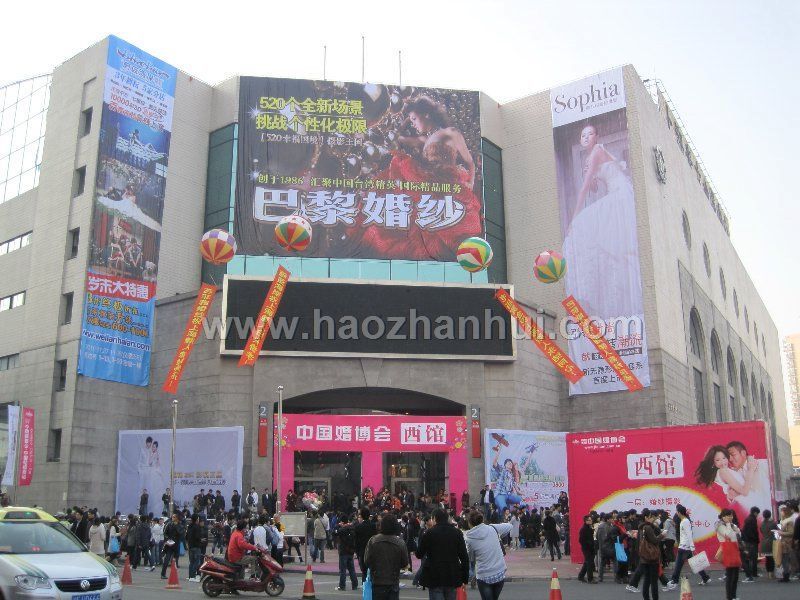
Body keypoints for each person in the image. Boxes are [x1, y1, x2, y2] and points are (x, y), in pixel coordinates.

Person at [415, 508, 469, 600]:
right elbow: (464, 557)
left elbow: (419, 554)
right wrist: (464, 578)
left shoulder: (429, 533)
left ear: (434, 518)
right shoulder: (457, 533)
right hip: (452, 574)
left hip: (434, 575)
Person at [464, 510, 511, 600]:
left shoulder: (469, 538)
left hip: (484, 575)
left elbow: (471, 557)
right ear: (482, 520)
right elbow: (509, 526)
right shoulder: (492, 528)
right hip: (499, 573)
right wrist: (499, 535)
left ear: (469, 523)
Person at [364, 514, 409, 600]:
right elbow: (405, 563)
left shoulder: (373, 540)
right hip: (393, 580)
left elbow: (367, 561)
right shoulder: (400, 543)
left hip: (377, 580)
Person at [666, 504, 709, 589]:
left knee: (678, 564)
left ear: (679, 512)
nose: (676, 513)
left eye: (677, 512)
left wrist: (692, 546)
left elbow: (689, 534)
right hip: (685, 546)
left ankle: (674, 580)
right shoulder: (684, 521)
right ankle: (705, 577)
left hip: (684, 547)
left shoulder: (685, 521)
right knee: (694, 562)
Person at [716, 509, 742, 600]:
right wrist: (728, 525)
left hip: (734, 550)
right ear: (723, 517)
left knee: (736, 575)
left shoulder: (732, 525)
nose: (730, 517)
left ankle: (733, 596)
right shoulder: (720, 526)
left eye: (731, 515)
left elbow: (739, 535)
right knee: (730, 575)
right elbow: (729, 535)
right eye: (728, 516)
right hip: (727, 551)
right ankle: (729, 597)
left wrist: (733, 528)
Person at [637, 510, 662, 600]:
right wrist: (662, 535)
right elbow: (654, 540)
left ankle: (646, 598)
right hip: (652, 557)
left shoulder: (641, 527)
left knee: (647, 580)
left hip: (644, 557)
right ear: (646, 517)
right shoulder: (648, 527)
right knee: (654, 581)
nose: (652, 518)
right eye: (651, 517)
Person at [334, 514, 359, 591]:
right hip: (351, 551)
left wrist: (338, 526)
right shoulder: (352, 528)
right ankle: (355, 584)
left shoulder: (342, 530)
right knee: (352, 569)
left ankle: (342, 586)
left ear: (342, 522)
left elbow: (334, 533)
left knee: (343, 570)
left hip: (343, 551)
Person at [355, 507, 377, 582]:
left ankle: (365, 584)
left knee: (364, 571)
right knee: (372, 570)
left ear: (362, 516)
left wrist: (357, 552)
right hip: (372, 551)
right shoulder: (374, 526)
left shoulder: (358, 527)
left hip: (362, 551)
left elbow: (356, 541)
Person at [741, 506, 760, 581]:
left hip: (749, 541)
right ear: (755, 512)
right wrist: (755, 539)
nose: (757, 515)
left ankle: (753, 573)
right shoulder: (752, 520)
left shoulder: (749, 519)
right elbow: (752, 532)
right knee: (753, 558)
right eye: (757, 513)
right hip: (751, 542)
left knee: (751, 558)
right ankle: (752, 574)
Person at [577, 514, 597, 583]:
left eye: (591, 520)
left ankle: (581, 576)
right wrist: (588, 544)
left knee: (587, 562)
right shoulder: (583, 529)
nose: (591, 521)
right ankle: (590, 578)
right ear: (586, 521)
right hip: (586, 548)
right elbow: (581, 540)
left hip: (591, 548)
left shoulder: (589, 528)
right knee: (589, 563)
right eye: (589, 520)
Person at [161, 513, 181, 579]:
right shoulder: (169, 524)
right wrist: (168, 539)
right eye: (172, 517)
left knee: (175, 559)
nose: (173, 518)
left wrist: (176, 526)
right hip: (169, 544)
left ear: (177, 518)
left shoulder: (179, 525)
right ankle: (163, 574)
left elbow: (181, 533)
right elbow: (164, 532)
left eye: (174, 517)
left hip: (176, 544)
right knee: (167, 559)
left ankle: (174, 574)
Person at [186, 514, 203, 582]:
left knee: (191, 562)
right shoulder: (197, 527)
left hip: (190, 546)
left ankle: (190, 576)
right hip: (196, 546)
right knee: (196, 562)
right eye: (198, 519)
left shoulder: (189, 526)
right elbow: (197, 537)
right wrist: (201, 540)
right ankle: (193, 576)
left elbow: (186, 536)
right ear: (196, 519)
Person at [760, 509, 776, 578]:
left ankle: (768, 573)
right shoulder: (772, 523)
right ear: (770, 515)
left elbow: (761, 531)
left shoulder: (762, 524)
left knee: (767, 558)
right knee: (771, 558)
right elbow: (777, 529)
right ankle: (771, 573)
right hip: (771, 542)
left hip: (764, 542)